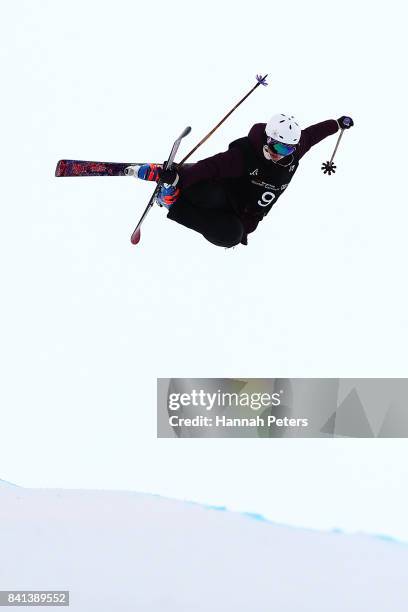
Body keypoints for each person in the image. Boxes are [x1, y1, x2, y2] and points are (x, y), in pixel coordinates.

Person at [136, 114, 354, 247]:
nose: (281, 153)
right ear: (268, 139)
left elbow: (314, 133)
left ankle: (172, 202)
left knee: (230, 236)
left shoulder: (293, 152)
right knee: (207, 186)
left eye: (287, 148)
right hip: (223, 195)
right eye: (277, 146)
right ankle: (174, 178)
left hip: (242, 215)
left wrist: (337, 123)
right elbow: (212, 166)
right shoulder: (246, 154)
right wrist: (179, 178)